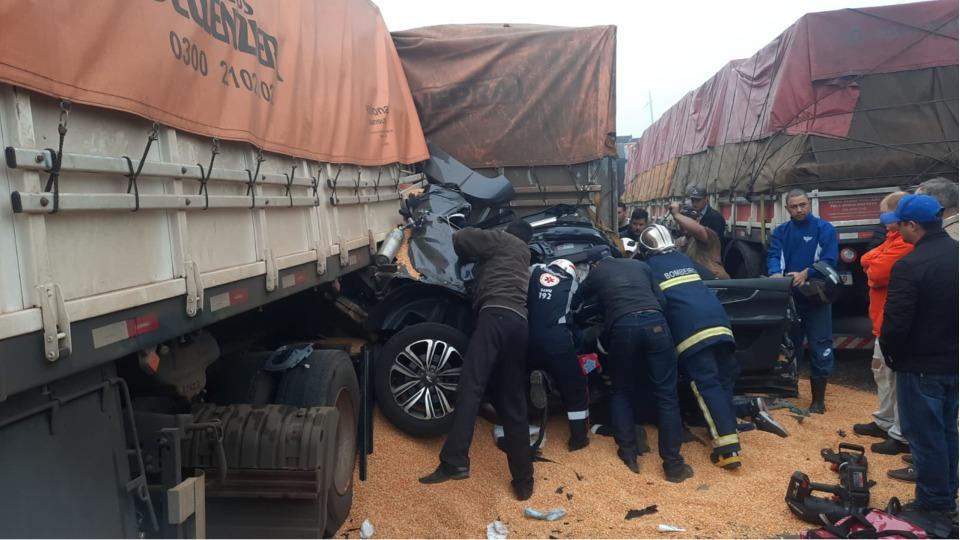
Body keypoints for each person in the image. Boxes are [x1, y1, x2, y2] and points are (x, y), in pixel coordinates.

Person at [419, 219, 536, 501]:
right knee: (513, 402)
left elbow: (462, 238)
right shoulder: (525, 257)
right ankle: (523, 481)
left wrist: (476, 233)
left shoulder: (503, 240)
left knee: (470, 388)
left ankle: (455, 461)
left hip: (494, 317)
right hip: (519, 325)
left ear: (509, 232)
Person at [576, 245, 693, 482]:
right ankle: (673, 466)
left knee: (620, 391)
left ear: (594, 264)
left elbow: (578, 301)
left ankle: (628, 454)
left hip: (623, 328)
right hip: (656, 324)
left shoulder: (596, 274)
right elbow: (662, 301)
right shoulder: (641, 265)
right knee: (667, 396)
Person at [636, 224, 742, 470]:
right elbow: (711, 278)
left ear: (644, 249)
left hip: (692, 332)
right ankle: (730, 431)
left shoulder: (648, 267)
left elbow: (655, 302)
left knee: (706, 385)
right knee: (723, 381)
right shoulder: (684, 259)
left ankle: (728, 450)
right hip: (721, 323)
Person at [878, 194, 959, 516]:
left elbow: (896, 323)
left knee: (925, 438)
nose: (898, 230)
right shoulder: (957, 254)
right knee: (947, 431)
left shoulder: (909, 265)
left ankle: (933, 504)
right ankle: (947, 493)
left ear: (913, 226)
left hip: (920, 365)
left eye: (901, 225)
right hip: (952, 362)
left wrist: (893, 358)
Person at [767, 189, 838, 414]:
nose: (799, 209)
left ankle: (819, 399)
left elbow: (829, 260)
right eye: (794, 206)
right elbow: (774, 256)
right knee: (789, 345)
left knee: (820, 344)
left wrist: (806, 273)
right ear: (787, 209)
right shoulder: (780, 231)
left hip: (817, 296)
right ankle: (788, 389)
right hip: (791, 297)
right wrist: (775, 274)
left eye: (803, 205)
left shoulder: (824, 229)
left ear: (809, 205)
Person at [853, 192, 912, 456]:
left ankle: (900, 434)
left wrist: (873, 267)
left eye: (884, 213)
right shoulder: (892, 239)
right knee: (883, 374)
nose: (881, 219)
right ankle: (884, 422)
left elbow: (876, 272)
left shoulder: (906, 243)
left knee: (898, 381)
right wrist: (873, 265)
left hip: (894, 323)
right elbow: (866, 260)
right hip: (881, 322)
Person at [526, 258, 590, 451]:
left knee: (528, 371)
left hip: (528, 337)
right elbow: (576, 315)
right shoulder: (573, 285)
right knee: (575, 386)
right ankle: (578, 439)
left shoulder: (535, 272)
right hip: (556, 339)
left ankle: (543, 379)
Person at [668, 202, 730, 279]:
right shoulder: (678, 242)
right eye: (683, 220)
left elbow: (698, 231)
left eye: (690, 219)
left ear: (697, 221)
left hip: (716, 284)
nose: (685, 224)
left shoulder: (710, 235)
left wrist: (677, 215)